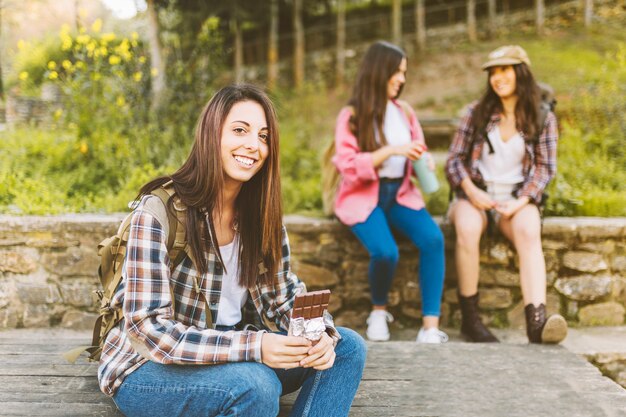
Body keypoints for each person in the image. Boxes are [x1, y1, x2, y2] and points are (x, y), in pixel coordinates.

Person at [97, 84, 367, 417]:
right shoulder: (158, 213)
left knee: (347, 346)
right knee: (256, 384)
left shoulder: (260, 217)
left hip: (233, 349)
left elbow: (283, 299)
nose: (253, 145)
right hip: (147, 367)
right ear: (212, 134)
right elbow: (148, 330)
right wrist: (257, 347)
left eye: (264, 136)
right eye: (240, 130)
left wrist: (320, 335)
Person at [445, 45, 568, 344]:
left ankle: (536, 322)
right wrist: (472, 193)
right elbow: (453, 161)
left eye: (504, 70)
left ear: (520, 73)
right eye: (493, 72)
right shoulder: (476, 113)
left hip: (516, 197)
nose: (497, 77)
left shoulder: (542, 117)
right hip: (476, 195)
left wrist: (521, 201)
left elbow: (545, 168)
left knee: (528, 228)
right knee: (468, 226)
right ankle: (471, 320)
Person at [333, 41, 447, 344]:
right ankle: (378, 311)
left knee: (434, 239)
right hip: (362, 196)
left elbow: (417, 148)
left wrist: (425, 159)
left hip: (400, 194)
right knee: (385, 252)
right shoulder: (352, 115)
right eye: (396, 72)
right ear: (379, 70)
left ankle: (430, 327)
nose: (401, 79)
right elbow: (346, 164)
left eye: (404, 73)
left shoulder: (405, 112)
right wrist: (390, 151)